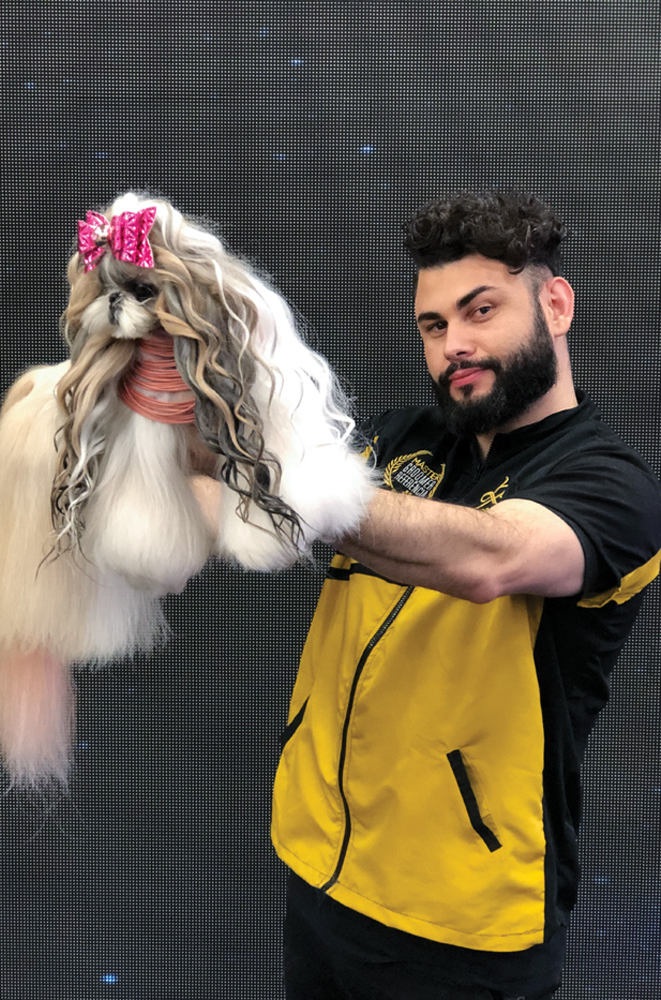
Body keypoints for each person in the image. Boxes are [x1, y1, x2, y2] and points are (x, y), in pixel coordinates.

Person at [265, 190, 661, 1000]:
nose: (457, 345)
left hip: (463, 925)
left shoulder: (614, 487)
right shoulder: (399, 438)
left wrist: (282, 478)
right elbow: (263, 515)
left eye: (481, 311)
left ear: (555, 303)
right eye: (434, 325)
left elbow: (489, 560)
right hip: (319, 872)